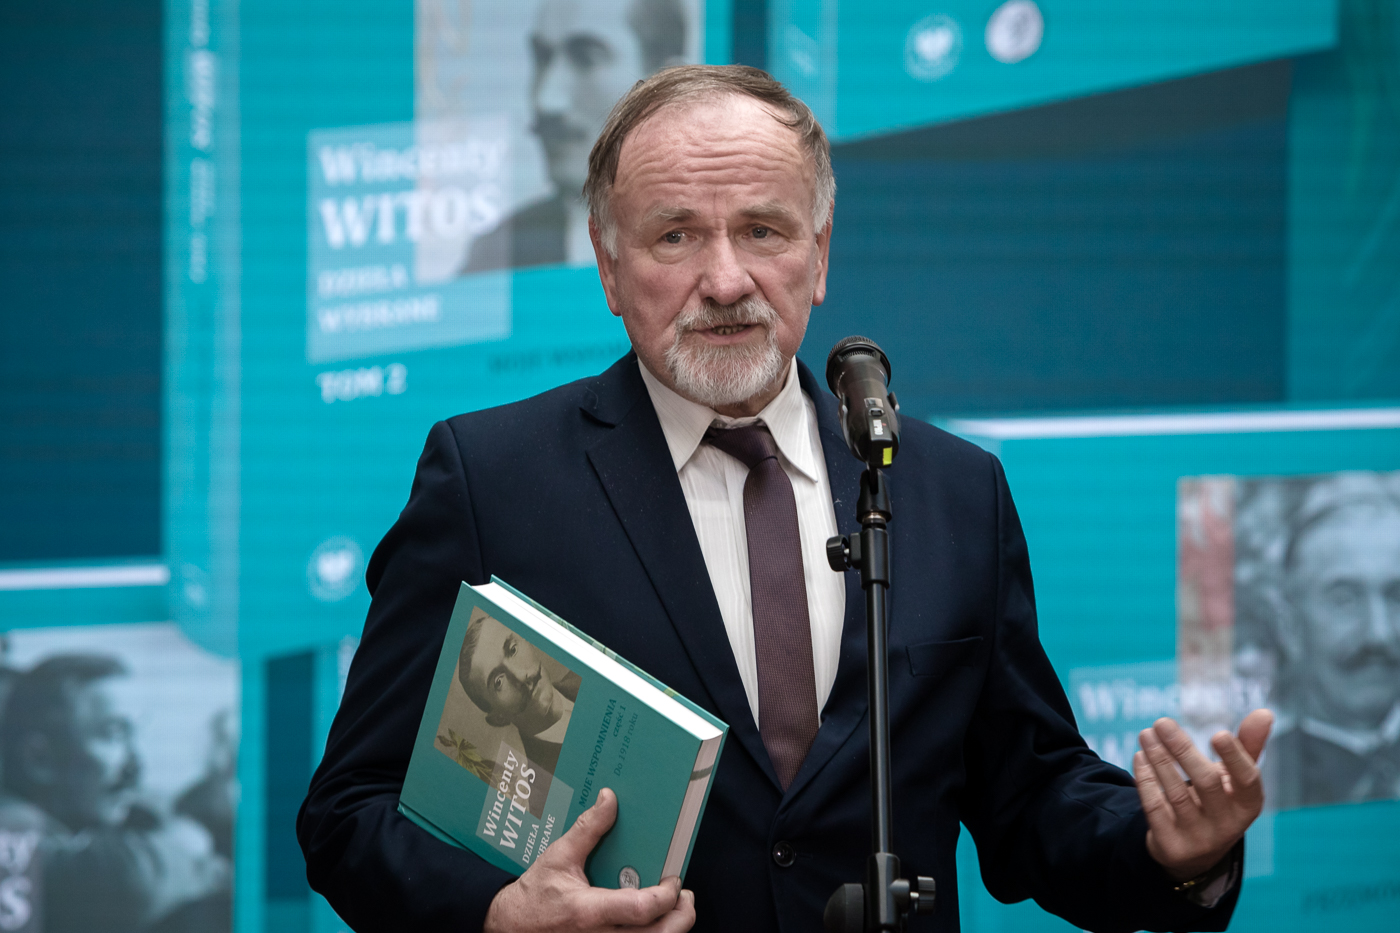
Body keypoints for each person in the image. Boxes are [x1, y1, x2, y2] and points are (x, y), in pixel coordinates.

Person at [300, 65, 1273, 933]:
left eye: (762, 231)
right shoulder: (490, 478)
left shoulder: (949, 490)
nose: (726, 280)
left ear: (819, 253)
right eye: (675, 235)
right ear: (608, 265)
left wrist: (1171, 854)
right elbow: (350, 810)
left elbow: (1030, 796)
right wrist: (498, 914)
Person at [0, 655, 230, 933]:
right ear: (40, 760)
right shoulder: (12, 830)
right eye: (114, 734)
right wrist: (188, 839)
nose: (137, 764)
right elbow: (133, 883)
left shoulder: (95, 823)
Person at [464, 0, 687, 272]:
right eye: (542, 58)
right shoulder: (496, 252)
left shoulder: (716, 233)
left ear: (665, 84)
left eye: (586, 59)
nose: (546, 101)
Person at [1267, 475, 1400, 806]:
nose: (1379, 633)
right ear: (1290, 626)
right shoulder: (1256, 780)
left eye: (1396, 596)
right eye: (1344, 600)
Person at [458, 613, 581, 773]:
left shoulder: (590, 672)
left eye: (513, 650)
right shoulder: (548, 784)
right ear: (498, 718)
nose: (521, 677)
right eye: (499, 682)